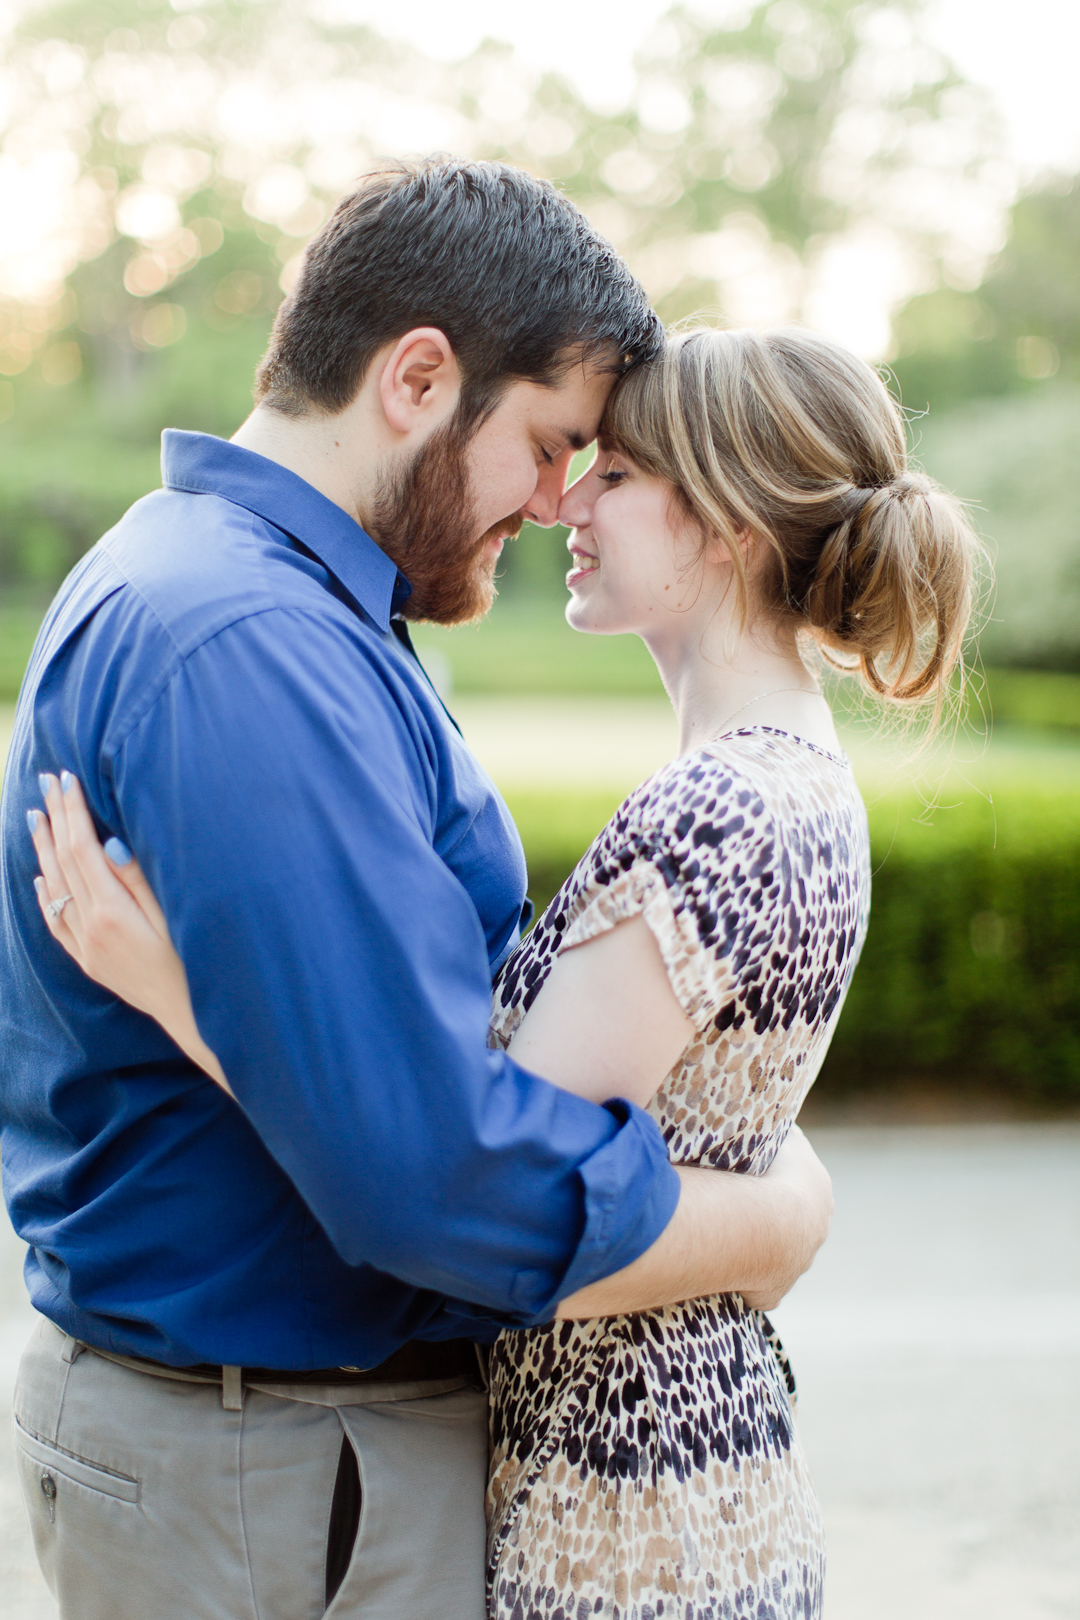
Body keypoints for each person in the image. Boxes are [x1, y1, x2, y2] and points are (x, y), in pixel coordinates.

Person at [27, 324, 981, 1618]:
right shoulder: (785, 780)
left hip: (630, 1494)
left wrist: (188, 1000)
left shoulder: (720, 810)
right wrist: (774, 1196)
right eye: (565, 456)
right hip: (654, 1460)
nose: (566, 500)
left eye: (616, 473)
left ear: (735, 527)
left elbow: (459, 1182)